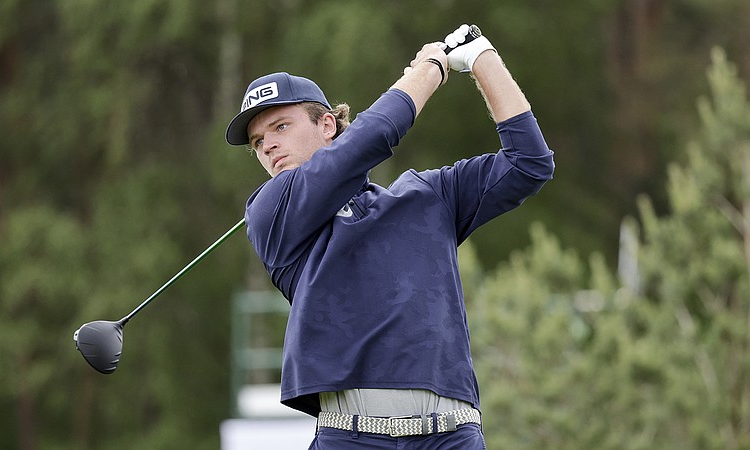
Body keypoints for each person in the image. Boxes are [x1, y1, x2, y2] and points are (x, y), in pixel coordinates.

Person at [225, 24, 554, 449]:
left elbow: (529, 163)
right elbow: (367, 141)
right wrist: (427, 70)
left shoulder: (429, 195)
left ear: (327, 125)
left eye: (280, 127)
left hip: (451, 436)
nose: (267, 146)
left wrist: (481, 59)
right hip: (351, 437)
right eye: (257, 141)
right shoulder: (271, 212)